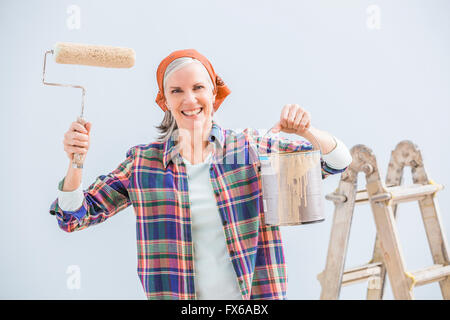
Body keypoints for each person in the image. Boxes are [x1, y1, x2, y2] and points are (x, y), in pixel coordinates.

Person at [49, 49, 353, 300]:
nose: (189, 100)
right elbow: (73, 217)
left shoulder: (250, 148)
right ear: (165, 102)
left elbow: (337, 162)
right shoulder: (143, 163)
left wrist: (307, 132)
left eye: (198, 88)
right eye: (176, 91)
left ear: (214, 93)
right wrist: (76, 162)